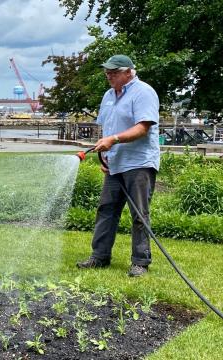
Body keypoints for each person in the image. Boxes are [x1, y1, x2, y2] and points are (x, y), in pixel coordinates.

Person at [76, 54, 160, 277]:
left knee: (139, 213)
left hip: (139, 163)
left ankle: (140, 262)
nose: (109, 75)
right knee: (106, 209)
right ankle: (99, 257)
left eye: (114, 72)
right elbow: (107, 128)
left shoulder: (144, 92)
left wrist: (113, 141)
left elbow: (143, 128)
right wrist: (106, 156)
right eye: (107, 72)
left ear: (128, 72)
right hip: (116, 163)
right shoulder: (108, 95)